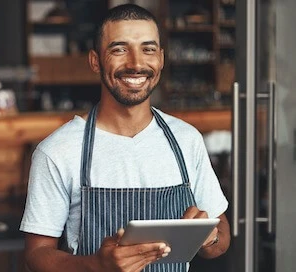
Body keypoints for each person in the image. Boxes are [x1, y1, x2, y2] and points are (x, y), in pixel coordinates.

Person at [19, 3, 230, 272]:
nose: (136, 63)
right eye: (119, 49)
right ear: (95, 60)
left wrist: (209, 236)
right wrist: (96, 265)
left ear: (161, 59)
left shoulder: (186, 140)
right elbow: (36, 255)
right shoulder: (58, 151)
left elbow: (221, 234)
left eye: (148, 49)